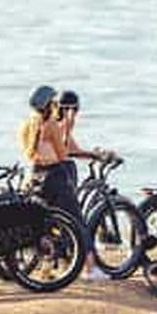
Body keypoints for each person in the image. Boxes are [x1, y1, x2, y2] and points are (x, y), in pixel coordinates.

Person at [20, 86, 106, 281]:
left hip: (35, 175)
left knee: (51, 222)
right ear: (50, 104)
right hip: (55, 176)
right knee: (77, 222)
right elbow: (62, 154)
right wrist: (68, 126)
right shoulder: (51, 124)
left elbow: (34, 151)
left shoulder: (28, 124)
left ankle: (52, 265)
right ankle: (90, 269)